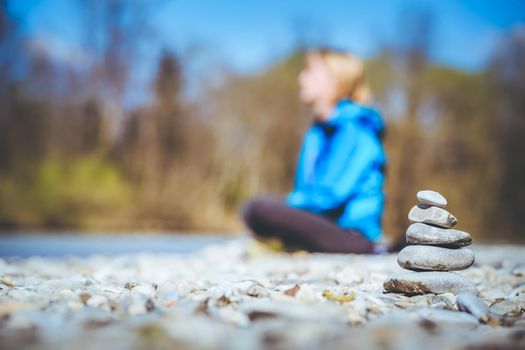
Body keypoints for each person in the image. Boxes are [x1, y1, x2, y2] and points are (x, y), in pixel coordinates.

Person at [240, 48, 386, 254]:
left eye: (309, 71)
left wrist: (288, 205)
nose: (301, 78)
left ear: (337, 80)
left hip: (353, 235)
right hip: (325, 224)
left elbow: (331, 195)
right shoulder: (317, 132)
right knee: (254, 210)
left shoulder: (356, 127)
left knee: (260, 209)